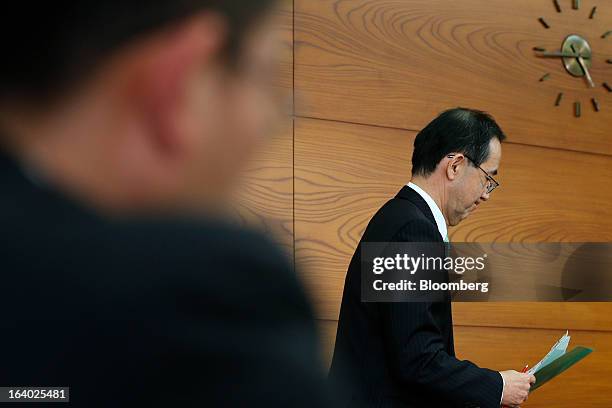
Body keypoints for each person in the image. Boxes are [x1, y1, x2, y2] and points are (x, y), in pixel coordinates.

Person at [0, 2, 330, 406]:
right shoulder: (409, 234)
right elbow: (415, 352)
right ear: (177, 82)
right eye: (265, 80)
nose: (268, 126)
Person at [328, 108, 535, 408]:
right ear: (456, 166)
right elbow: (417, 358)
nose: (487, 194)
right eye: (488, 178)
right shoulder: (413, 229)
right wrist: (497, 386)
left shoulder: (400, 217)